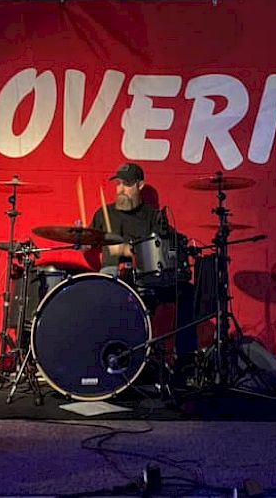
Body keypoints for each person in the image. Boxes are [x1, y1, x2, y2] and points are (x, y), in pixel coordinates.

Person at [86, 162, 198, 385]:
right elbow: (88, 244)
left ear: (140, 185)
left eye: (126, 185)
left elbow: (168, 248)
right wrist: (80, 241)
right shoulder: (103, 213)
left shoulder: (153, 216)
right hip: (112, 280)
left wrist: (129, 249)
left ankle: (186, 363)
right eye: (118, 184)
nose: (120, 189)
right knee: (104, 284)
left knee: (188, 292)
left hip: (146, 282)